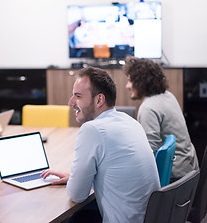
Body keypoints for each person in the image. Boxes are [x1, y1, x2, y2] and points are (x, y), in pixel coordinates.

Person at [41, 67, 160, 223]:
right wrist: (75, 177)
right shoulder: (130, 121)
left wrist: (74, 181)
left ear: (99, 100)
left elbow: (77, 195)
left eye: (78, 96)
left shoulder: (92, 129)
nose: (71, 102)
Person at [124, 56, 199, 181]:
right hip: (190, 169)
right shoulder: (168, 96)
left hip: (174, 176)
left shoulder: (148, 108)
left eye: (130, 81)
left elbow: (149, 154)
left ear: (141, 82)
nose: (127, 86)